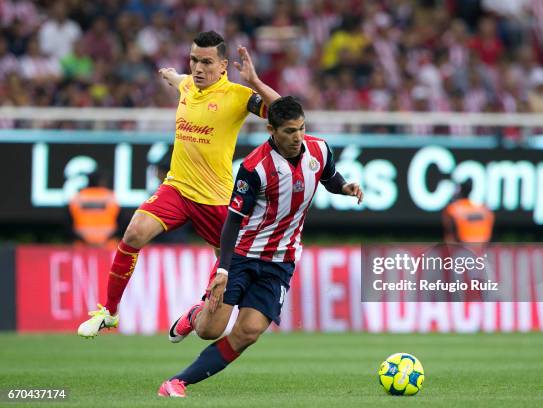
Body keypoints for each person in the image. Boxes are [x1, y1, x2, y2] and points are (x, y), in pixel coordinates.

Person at [77, 31, 280, 338]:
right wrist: (171, 75)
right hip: (177, 188)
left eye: (207, 62)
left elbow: (286, 112)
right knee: (133, 233)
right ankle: (110, 312)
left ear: (223, 65)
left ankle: (195, 314)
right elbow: (181, 79)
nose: (199, 68)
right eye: (194, 60)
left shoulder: (237, 96)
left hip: (216, 200)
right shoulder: (188, 84)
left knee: (210, 330)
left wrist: (254, 82)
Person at [158, 96, 363, 397]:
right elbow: (232, 221)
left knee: (248, 332)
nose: (297, 138)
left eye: (301, 129)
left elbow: (329, 177)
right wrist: (223, 270)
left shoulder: (319, 150)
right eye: (289, 131)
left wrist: (345, 187)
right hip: (242, 256)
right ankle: (195, 316)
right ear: (271, 130)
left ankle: (177, 382)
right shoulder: (254, 168)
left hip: (280, 261)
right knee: (209, 330)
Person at [68, 171, 120, 247]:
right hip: (108, 245)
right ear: (100, 182)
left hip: (82, 245)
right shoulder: (109, 196)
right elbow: (120, 220)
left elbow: (69, 220)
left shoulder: (78, 197)